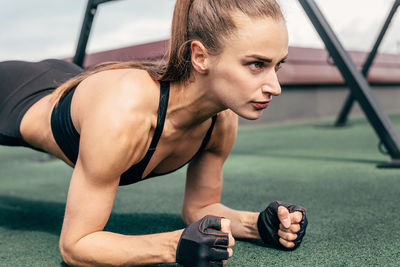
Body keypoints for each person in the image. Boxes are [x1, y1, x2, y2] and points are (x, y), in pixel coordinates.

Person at [0, 0, 308, 266]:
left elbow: (198, 209)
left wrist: (257, 225)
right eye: (257, 64)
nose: (275, 87)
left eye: (277, 66)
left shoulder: (221, 120)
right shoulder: (124, 113)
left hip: (72, 82)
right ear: (200, 57)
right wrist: (173, 246)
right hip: (14, 93)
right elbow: (76, 244)